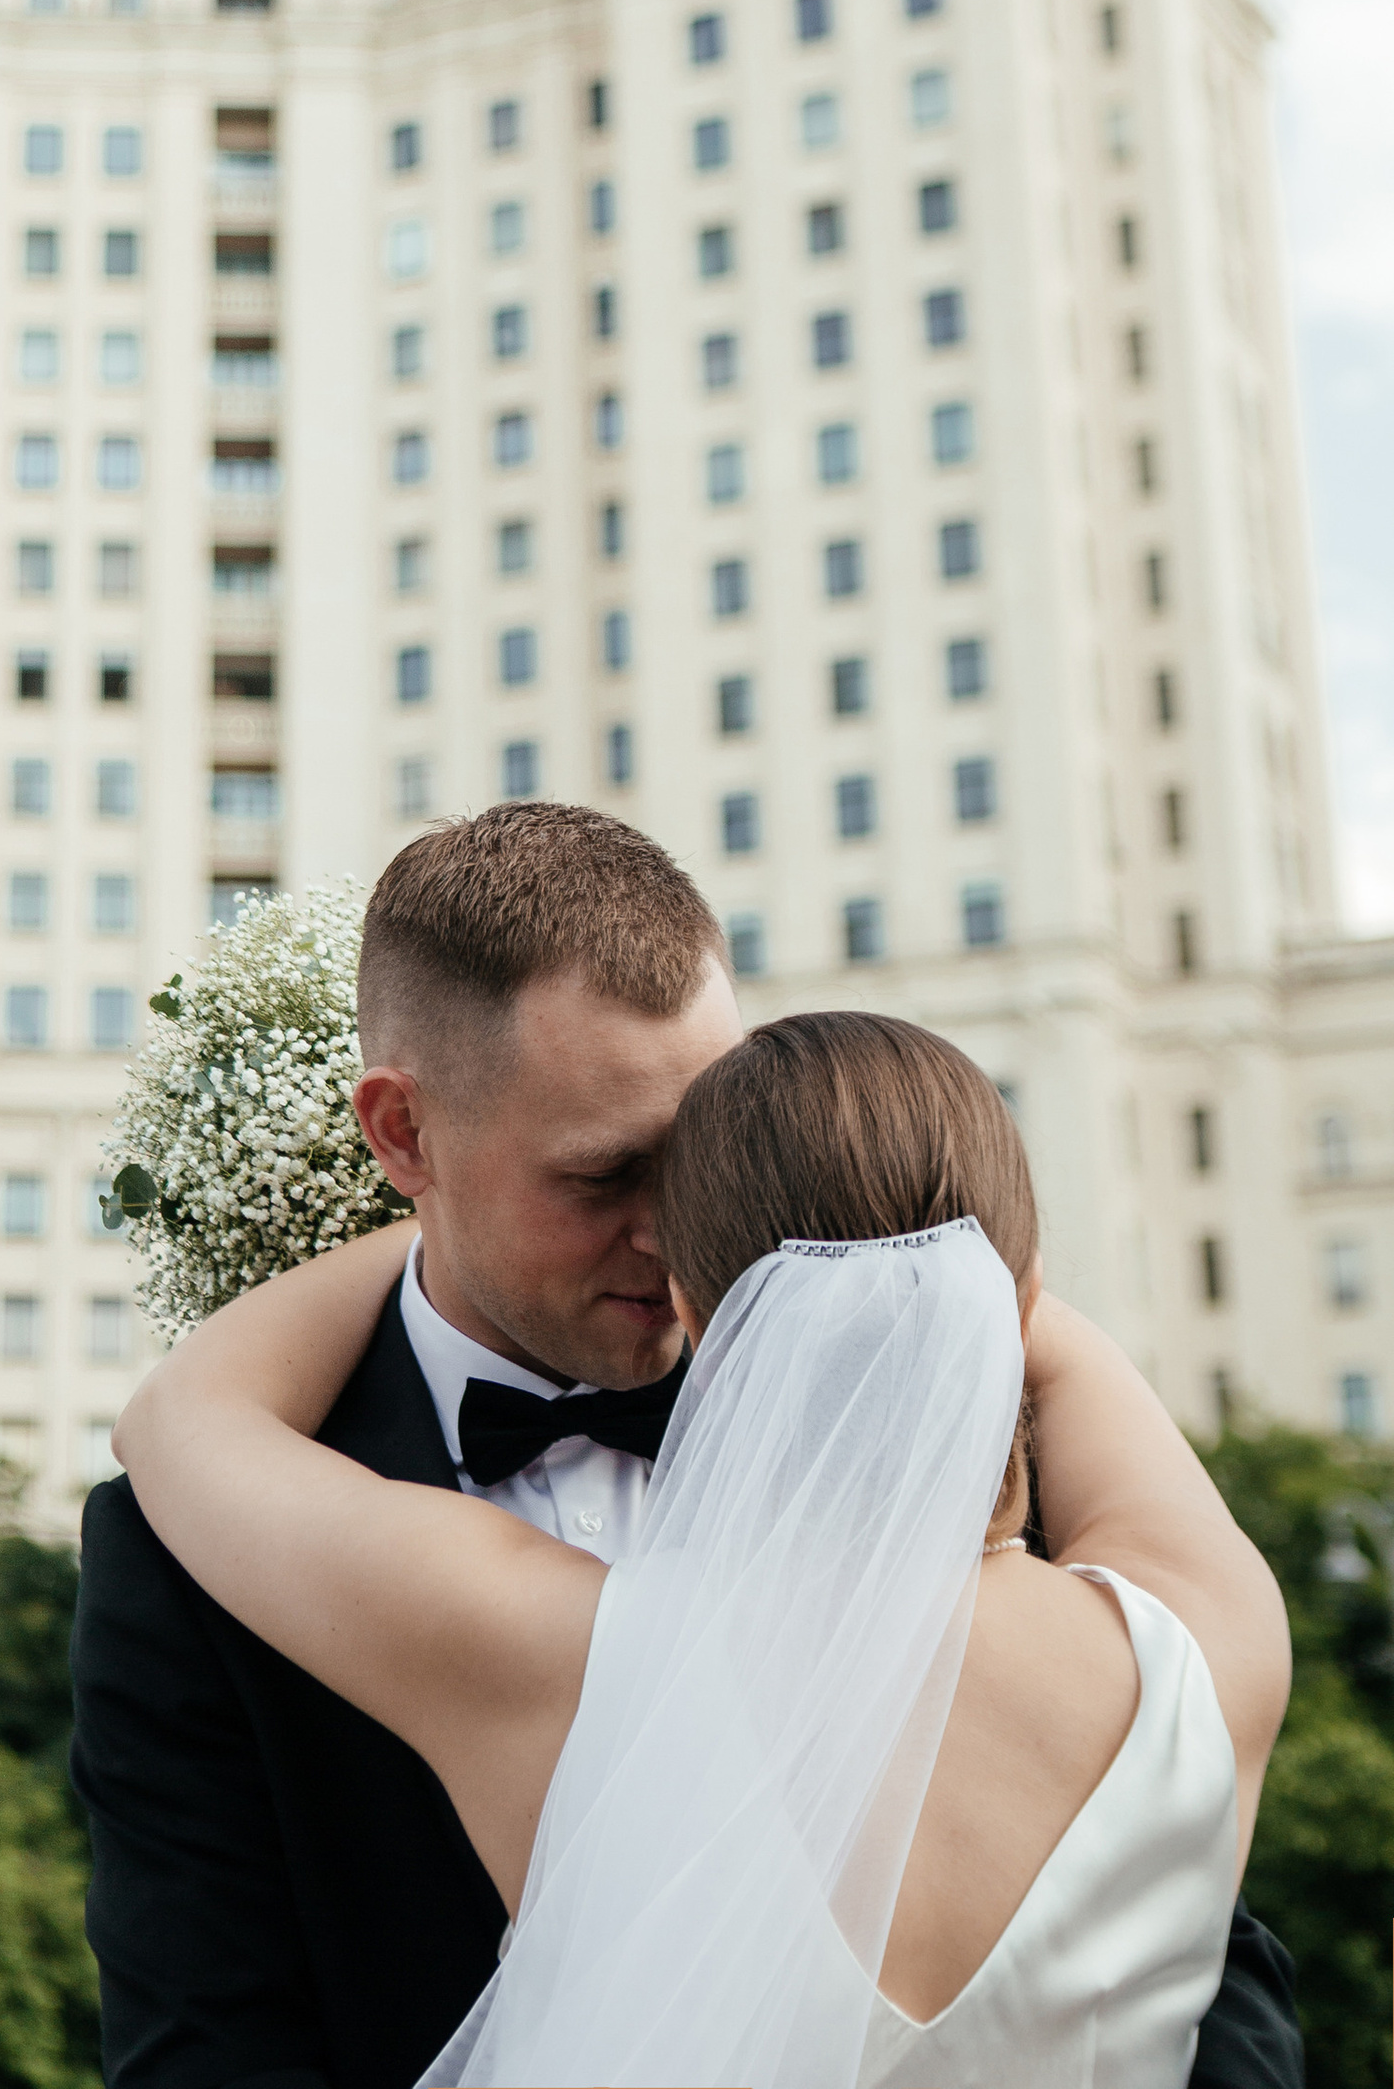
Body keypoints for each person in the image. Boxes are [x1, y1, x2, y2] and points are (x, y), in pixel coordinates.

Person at [70, 801, 1303, 2089]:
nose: (677, 1229)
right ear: (403, 1134)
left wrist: (429, 1228)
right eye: (605, 1176)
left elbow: (181, 1414)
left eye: (707, 1159)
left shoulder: (552, 1655)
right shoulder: (1199, 1638)